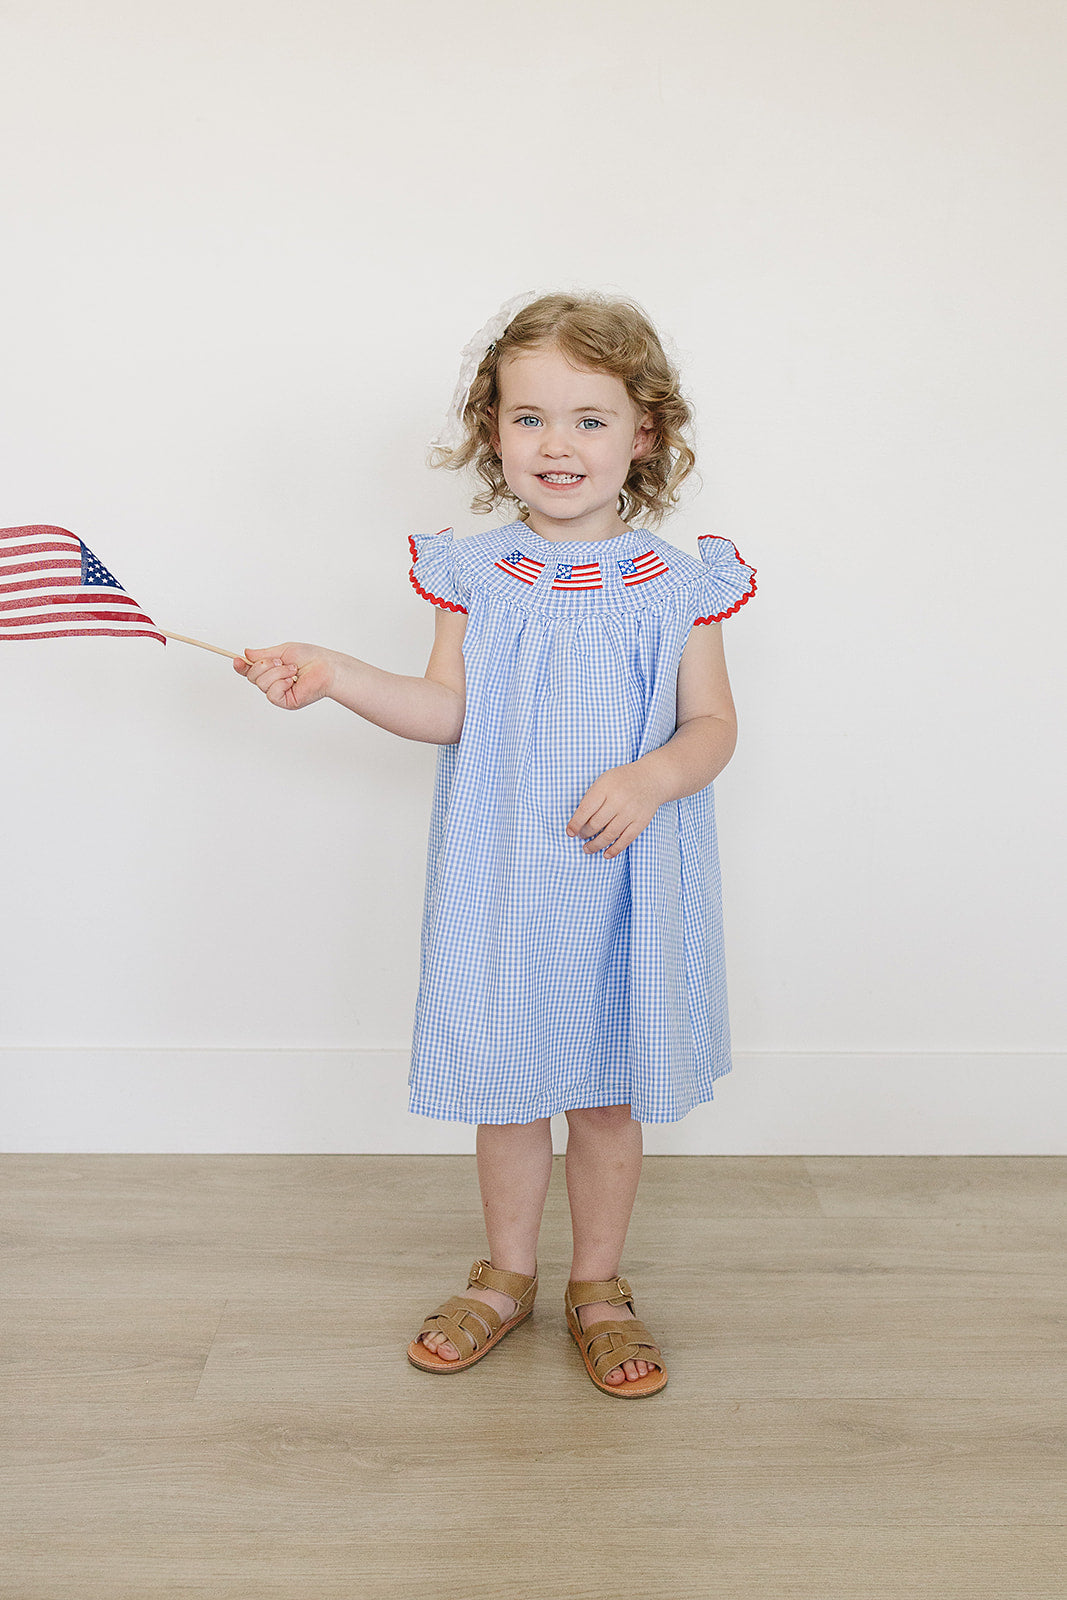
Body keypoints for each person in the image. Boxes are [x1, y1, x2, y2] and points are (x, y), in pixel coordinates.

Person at [235, 290, 757, 1397]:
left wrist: (650, 773)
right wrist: (333, 674)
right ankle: (505, 1274)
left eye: (587, 418)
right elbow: (447, 710)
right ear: (491, 433)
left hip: (624, 882)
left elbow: (712, 724)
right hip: (507, 876)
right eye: (527, 419)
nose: (556, 444)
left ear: (644, 433)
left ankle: (599, 1286)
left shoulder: (677, 584)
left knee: (606, 1095)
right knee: (510, 1087)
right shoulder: (474, 577)